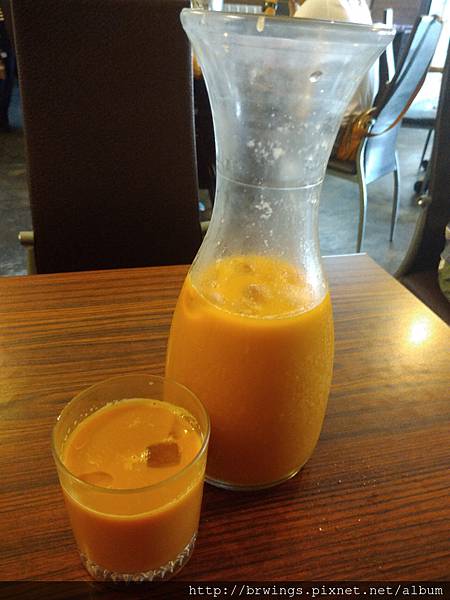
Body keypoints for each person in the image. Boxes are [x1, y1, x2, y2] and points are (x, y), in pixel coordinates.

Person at [290, 0, 379, 128]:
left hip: (332, 128)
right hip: (356, 120)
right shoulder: (358, 4)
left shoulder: (322, 3)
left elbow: (282, 58)